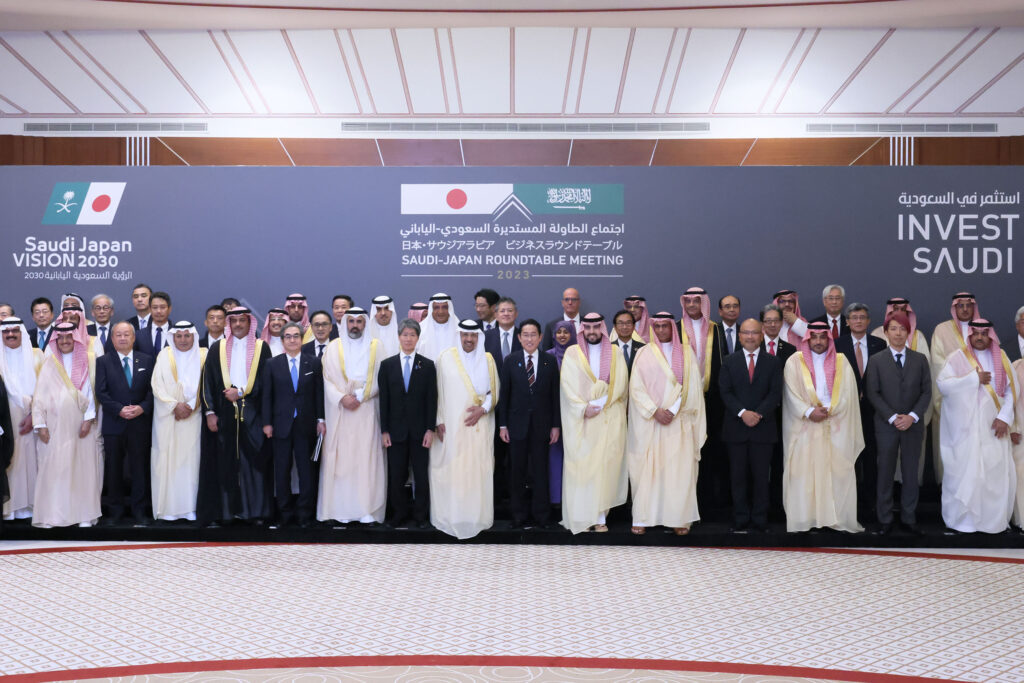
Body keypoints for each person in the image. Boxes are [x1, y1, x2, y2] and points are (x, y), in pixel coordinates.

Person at [627, 312, 706, 535]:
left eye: (665, 326)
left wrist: (671, 410)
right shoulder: (643, 353)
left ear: (673, 327)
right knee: (648, 472)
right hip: (652, 424)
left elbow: (692, 387)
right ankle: (643, 517)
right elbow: (636, 388)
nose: (661, 330)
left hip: (678, 422)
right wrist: (655, 411)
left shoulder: (687, 353)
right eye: (658, 326)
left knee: (678, 472)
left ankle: (679, 518)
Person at [782, 321, 863, 533]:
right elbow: (791, 394)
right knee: (804, 474)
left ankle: (835, 519)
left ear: (829, 338)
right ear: (807, 338)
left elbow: (848, 394)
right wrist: (809, 412)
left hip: (835, 425)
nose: (818, 341)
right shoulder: (794, 361)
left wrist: (830, 410)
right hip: (805, 427)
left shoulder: (842, 361)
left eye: (822, 337)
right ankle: (807, 519)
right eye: (814, 337)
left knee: (836, 473)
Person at [936, 318, 1016, 534]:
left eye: (984, 333)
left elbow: (1011, 392)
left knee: (992, 474)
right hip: (965, 431)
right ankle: (963, 523)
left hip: (993, 429)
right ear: (969, 335)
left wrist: (1004, 418)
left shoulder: (1003, 358)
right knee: (965, 475)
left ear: (990, 335)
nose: (980, 337)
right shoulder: (957, 358)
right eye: (976, 333)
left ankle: (992, 523)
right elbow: (943, 385)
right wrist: (973, 379)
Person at [201, 307, 273, 524]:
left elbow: (265, 382)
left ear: (250, 323)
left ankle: (256, 513)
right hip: (224, 414)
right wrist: (210, 412)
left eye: (243, 321)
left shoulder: (262, 348)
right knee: (226, 463)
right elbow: (208, 382)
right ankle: (227, 513)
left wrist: (241, 392)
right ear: (229, 324)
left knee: (255, 465)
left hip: (254, 414)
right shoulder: (217, 348)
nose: (239, 325)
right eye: (235, 321)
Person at [864, 311, 932, 535]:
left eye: (902, 329)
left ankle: (908, 517)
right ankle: (884, 519)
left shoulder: (920, 359)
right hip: (886, 426)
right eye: (893, 328)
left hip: (912, 425)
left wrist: (912, 416)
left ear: (908, 332)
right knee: (885, 472)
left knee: (911, 473)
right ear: (886, 332)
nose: (898, 333)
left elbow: (926, 392)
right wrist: (893, 417)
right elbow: (872, 393)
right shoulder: (876, 360)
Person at [559, 312, 628, 534]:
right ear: (582, 330)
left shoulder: (615, 353)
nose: (591, 332)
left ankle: (600, 517)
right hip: (583, 422)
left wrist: (600, 403)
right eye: (587, 328)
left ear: (603, 329)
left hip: (607, 419)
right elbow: (568, 386)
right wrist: (584, 408)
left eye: (596, 328)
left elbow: (621, 385)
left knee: (604, 469)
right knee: (583, 469)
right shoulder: (572, 353)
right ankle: (582, 516)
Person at [430, 320, 498, 538]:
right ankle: (453, 515)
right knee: (454, 470)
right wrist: (438, 421)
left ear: (479, 337)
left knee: (478, 470)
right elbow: (437, 392)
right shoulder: (444, 358)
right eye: (465, 335)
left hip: (479, 426)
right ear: (459, 336)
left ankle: (476, 516)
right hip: (450, 427)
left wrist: (483, 409)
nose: (469, 340)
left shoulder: (488, 359)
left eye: (473, 336)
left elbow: (494, 392)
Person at [31, 322, 102, 528]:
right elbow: (40, 396)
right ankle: (52, 516)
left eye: (68, 337)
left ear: (76, 339)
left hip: (81, 425)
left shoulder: (88, 360)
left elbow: (90, 391)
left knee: (83, 471)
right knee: (54, 469)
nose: (64, 341)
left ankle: (84, 516)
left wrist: (88, 419)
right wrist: (41, 424)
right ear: (55, 340)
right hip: (54, 426)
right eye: (60, 338)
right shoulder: (50, 362)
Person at [319, 308, 386, 524]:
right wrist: (342, 397)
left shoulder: (377, 347)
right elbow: (327, 379)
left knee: (366, 459)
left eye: (359, 321)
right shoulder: (332, 348)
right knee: (341, 460)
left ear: (365, 323)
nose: (355, 325)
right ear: (345, 324)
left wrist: (360, 394)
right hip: (340, 411)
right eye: (351, 321)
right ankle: (341, 510)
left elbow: (381, 377)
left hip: (367, 409)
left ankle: (366, 509)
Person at [719, 318, 782, 533]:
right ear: (739, 336)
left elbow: (775, 393)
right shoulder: (729, 361)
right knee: (737, 477)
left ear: (762, 335)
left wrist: (758, 414)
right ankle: (740, 517)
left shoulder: (773, 362)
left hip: (763, 429)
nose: (750, 336)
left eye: (754, 332)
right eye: (746, 332)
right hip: (736, 428)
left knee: (761, 477)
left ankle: (759, 518)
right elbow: (725, 392)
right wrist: (742, 413)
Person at [262, 322, 325, 527]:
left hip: (306, 426)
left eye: (296, 336)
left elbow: (319, 394)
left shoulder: (313, 363)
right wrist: (267, 423)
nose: (292, 340)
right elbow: (267, 396)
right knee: (282, 472)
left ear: (301, 339)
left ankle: (305, 515)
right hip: (280, 425)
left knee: (306, 472)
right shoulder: (272, 364)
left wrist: (320, 420)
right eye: (288, 336)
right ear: (282, 341)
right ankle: (285, 514)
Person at [499, 318, 560, 529]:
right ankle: (518, 515)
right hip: (516, 426)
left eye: (533, 334)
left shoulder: (549, 361)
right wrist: (503, 425)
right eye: (525, 335)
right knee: (517, 472)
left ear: (541, 337)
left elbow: (555, 396)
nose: (529, 339)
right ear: (519, 337)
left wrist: (555, 425)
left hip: (542, 426)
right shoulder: (510, 360)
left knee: (541, 471)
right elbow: (504, 395)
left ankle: (541, 515)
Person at [378, 318, 437, 528]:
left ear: (418, 338)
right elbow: (383, 402)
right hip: (395, 431)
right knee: (397, 475)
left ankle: (421, 516)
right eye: (405, 335)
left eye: (412, 335)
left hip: (420, 431)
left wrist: (430, 429)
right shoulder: (387, 365)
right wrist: (384, 430)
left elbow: (432, 400)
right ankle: (398, 515)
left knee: (421, 476)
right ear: (399, 337)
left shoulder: (428, 365)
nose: (408, 338)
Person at [96, 321, 154, 525]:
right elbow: (101, 392)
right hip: (114, 423)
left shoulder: (147, 360)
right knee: (113, 469)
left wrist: (142, 408)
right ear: (112, 339)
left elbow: (152, 391)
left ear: (133, 337)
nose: (122, 338)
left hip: (139, 423)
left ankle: (139, 511)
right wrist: (119, 409)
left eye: (126, 334)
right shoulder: (103, 361)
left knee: (139, 468)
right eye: (118, 335)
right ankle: (115, 512)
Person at [835, 302, 886, 521]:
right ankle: (848, 505)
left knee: (872, 458)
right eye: (854, 317)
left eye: (862, 317)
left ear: (868, 321)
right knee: (847, 459)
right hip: (845, 413)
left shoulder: (879, 344)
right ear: (847, 321)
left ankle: (871, 505)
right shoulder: (836, 345)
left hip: (874, 412)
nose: (858, 321)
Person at [151, 321, 206, 522]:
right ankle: (168, 510)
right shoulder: (164, 355)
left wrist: (191, 404)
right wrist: (175, 405)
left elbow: (207, 383)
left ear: (194, 336)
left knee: (191, 463)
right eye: (179, 336)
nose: (183, 340)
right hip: (168, 418)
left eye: (187, 335)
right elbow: (157, 385)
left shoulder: (203, 355)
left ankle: (190, 508)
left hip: (194, 416)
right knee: (167, 462)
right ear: (173, 337)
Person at [679, 286, 726, 512]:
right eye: (688, 302)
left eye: (696, 302)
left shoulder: (716, 330)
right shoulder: (674, 329)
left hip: (712, 400)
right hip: (682, 402)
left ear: (703, 304)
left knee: (710, 449)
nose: (691, 306)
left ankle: (710, 503)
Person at [0, 318, 43, 521]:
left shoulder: (37, 355)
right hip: (4, 419)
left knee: (31, 460)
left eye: (15, 331)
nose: (10, 335)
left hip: (33, 417)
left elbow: (45, 388)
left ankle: (30, 506)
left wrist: (33, 414)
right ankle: (9, 508)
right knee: (9, 460)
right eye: (6, 332)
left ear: (22, 333)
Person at [546, 320, 576, 507]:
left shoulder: (580, 355)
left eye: (566, 332)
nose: (562, 335)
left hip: (576, 412)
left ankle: (574, 497)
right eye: (559, 332)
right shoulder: (547, 356)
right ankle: (556, 498)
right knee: (555, 455)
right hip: (553, 412)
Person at [417, 293, 460, 360]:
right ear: (431, 310)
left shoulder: (460, 330)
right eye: (436, 307)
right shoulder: (420, 329)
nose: (440, 312)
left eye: (444, 307)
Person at [484, 297, 521, 367]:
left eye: (510, 311)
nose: (506, 314)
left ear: (516, 314)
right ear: (496, 315)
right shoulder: (486, 336)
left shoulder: (523, 336)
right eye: (502, 311)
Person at [136, 290, 172, 357]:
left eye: (162, 307)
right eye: (155, 307)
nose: (158, 311)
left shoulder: (177, 334)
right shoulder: (138, 335)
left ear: (169, 309)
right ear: (150, 309)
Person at [612, 309, 644, 376]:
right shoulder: (608, 349)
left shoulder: (643, 348)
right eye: (620, 323)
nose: (625, 327)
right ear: (615, 327)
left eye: (628, 323)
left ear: (634, 326)